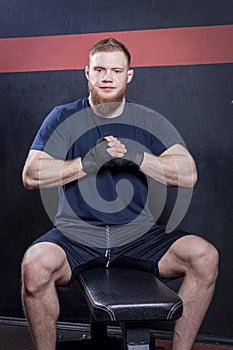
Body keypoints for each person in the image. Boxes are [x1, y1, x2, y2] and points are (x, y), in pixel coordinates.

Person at [21, 37, 219, 350]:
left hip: (137, 237)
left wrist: (139, 157)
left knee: (205, 256)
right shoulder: (62, 117)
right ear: (87, 73)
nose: (107, 77)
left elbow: (188, 173)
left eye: (116, 70)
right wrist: (87, 163)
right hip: (76, 235)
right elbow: (31, 174)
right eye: (99, 70)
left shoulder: (148, 121)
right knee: (34, 264)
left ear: (129, 75)